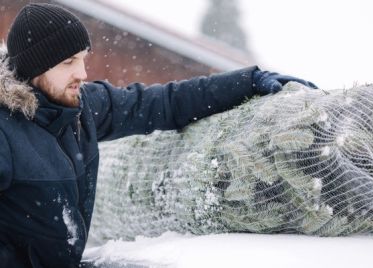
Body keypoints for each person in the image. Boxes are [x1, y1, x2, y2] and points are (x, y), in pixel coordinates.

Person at [0, 3, 316, 268]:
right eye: (69, 63)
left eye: (82, 58)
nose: (82, 73)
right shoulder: (5, 132)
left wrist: (250, 80)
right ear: (34, 69)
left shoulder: (83, 108)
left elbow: (163, 102)